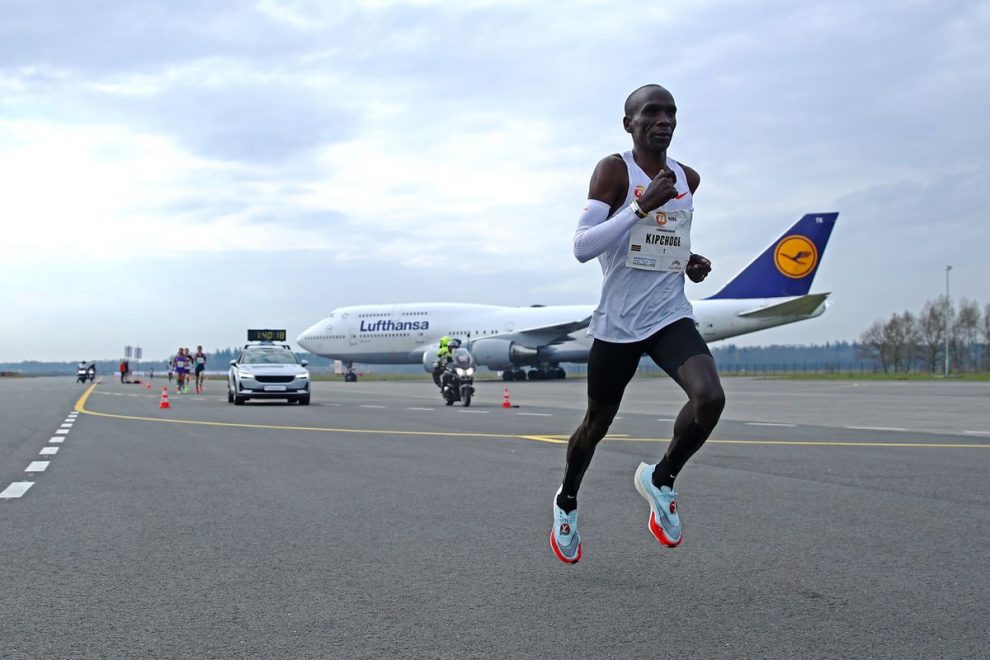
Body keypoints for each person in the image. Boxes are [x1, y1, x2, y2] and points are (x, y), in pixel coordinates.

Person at [550, 84, 725, 564]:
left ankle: (661, 478)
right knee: (596, 424)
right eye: (651, 112)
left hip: (668, 314)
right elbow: (583, 247)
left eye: (671, 112)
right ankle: (567, 501)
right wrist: (640, 206)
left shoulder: (687, 177)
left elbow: (665, 239)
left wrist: (689, 261)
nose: (663, 119)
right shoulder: (614, 170)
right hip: (618, 322)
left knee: (710, 398)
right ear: (629, 123)